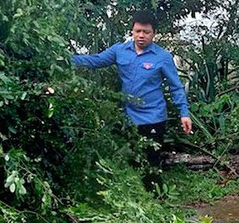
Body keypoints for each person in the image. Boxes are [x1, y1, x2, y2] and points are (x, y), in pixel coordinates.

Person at [72, 10, 192, 166]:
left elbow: (175, 87)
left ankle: (153, 181)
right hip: (128, 117)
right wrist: (64, 58)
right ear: (132, 31)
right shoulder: (119, 50)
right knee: (129, 162)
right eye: (138, 31)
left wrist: (184, 113)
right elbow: (95, 60)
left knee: (150, 164)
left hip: (153, 117)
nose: (141, 35)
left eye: (146, 32)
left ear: (154, 34)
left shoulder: (163, 57)